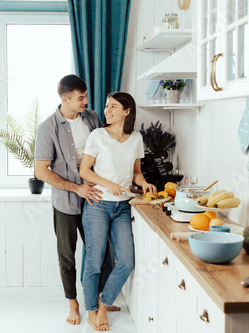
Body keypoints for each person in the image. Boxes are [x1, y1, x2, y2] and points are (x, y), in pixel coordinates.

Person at [35, 74, 119, 326]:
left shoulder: (91, 118)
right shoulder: (48, 128)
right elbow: (41, 171)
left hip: (96, 198)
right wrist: (76, 188)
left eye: (85, 96)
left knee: (101, 251)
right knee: (68, 255)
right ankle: (73, 303)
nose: (86, 101)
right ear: (65, 99)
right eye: (81, 98)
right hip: (67, 202)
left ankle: (99, 299)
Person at [79, 91, 157, 331]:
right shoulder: (98, 135)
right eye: (106, 106)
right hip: (98, 205)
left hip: (123, 206)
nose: (107, 111)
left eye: (113, 107)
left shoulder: (136, 139)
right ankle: (92, 310)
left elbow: (136, 172)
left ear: (127, 111)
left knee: (126, 261)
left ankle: (104, 303)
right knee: (94, 260)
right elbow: (85, 171)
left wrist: (143, 184)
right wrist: (107, 183)